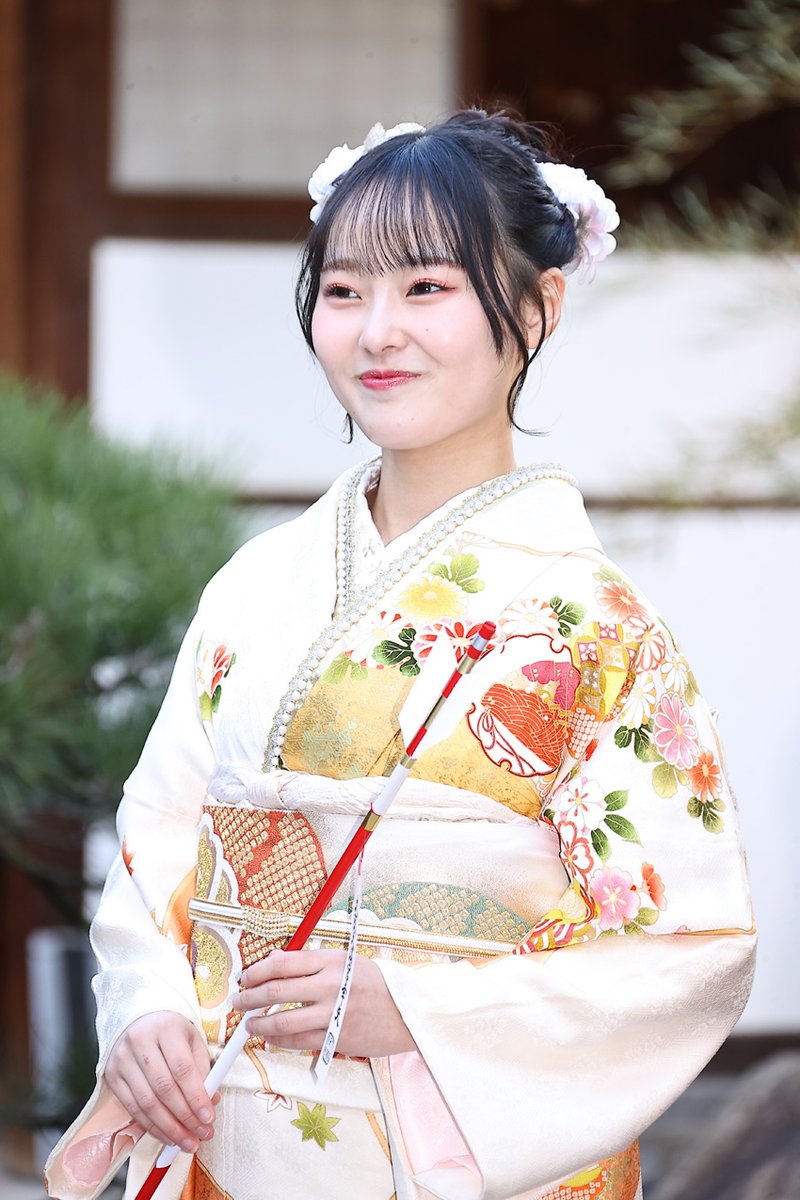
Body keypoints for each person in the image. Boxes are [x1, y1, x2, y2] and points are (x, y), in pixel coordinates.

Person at [45, 109, 755, 1200]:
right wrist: (147, 1007)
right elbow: (159, 832)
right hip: (232, 1131)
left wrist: (424, 1012)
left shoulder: (596, 623)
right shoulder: (257, 583)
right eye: (343, 291)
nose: (377, 332)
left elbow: (690, 944)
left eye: (426, 287)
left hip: (446, 1153)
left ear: (537, 304)